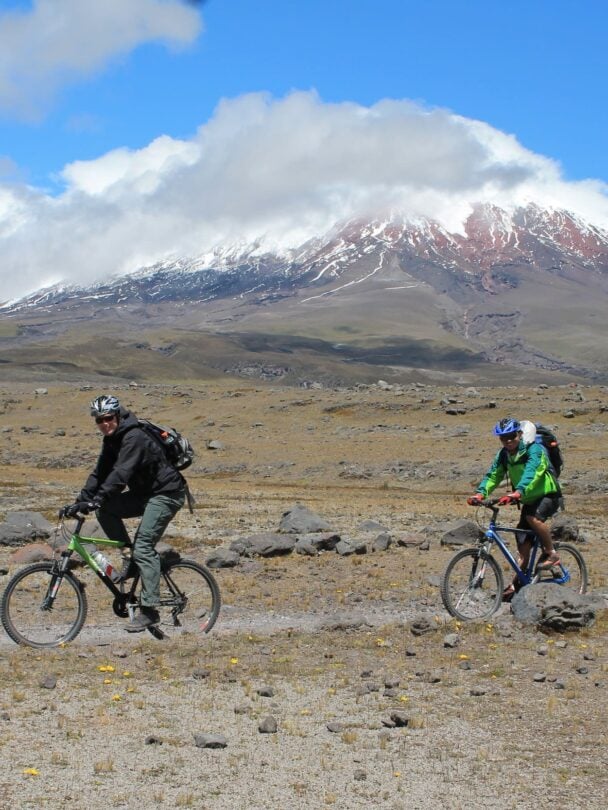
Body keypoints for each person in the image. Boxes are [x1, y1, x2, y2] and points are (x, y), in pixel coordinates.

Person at [64, 395, 187, 632]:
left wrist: (98, 499)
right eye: (99, 420)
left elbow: (121, 473)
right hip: (145, 494)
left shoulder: (134, 437)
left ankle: (149, 611)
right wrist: (80, 502)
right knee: (107, 510)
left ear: (118, 415)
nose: (105, 424)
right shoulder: (112, 440)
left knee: (144, 547)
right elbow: (100, 473)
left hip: (167, 493)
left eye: (109, 418)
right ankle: (131, 557)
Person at [467, 417, 562, 600]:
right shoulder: (504, 455)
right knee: (522, 544)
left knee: (533, 518)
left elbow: (533, 472)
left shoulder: (534, 450)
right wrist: (481, 493)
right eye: (503, 438)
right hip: (528, 498)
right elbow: (494, 475)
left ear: (519, 434)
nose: (508, 441)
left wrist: (519, 491)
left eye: (511, 436)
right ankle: (517, 584)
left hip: (547, 494)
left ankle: (552, 554)